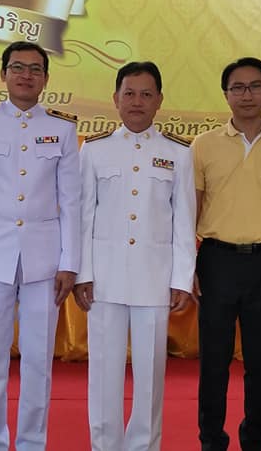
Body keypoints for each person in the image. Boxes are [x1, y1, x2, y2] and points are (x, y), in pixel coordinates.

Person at [0, 41, 80, 451]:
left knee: (39, 363)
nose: (26, 75)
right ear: (3, 74)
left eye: (35, 69)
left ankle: (30, 444)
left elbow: (72, 202)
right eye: (18, 67)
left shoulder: (63, 128)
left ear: (46, 78)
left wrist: (70, 263)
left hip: (45, 262)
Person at [73, 61, 196, 451]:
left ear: (159, 100)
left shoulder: (178, 152)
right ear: (116, 98)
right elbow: (83, 217)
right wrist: (82, 273)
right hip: (104, 280)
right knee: (103, 376)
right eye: (129, 93)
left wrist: (181, 279)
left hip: (154, 279)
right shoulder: (94, 150)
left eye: (146, 94)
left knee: (150, 380)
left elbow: (184, 219)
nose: (137, 102)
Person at [192, 57, 261, 451]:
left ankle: (255, 441)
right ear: (226, 94)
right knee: (213, 362)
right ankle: (212, 440)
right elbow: (191, 209)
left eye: (255, 86)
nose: (247, 95)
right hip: (216, 261)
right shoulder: (204, 144)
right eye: (238, 87)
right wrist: (188, 265)